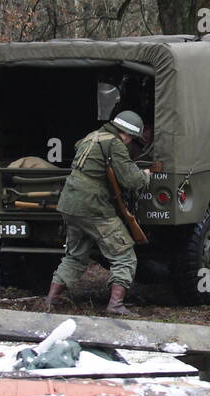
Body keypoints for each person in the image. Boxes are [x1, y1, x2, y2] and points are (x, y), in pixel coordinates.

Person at [47, 110, 157, 316]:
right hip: (94, 208)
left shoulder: (91, 137)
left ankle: (51, 300)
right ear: (124, 132)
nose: (129, 141)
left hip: (70, 205)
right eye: (131, 137)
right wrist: (146, 175)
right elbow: (131, 180)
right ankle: (115, 305)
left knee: (74, 257)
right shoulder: (114, 144)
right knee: (124, 255)